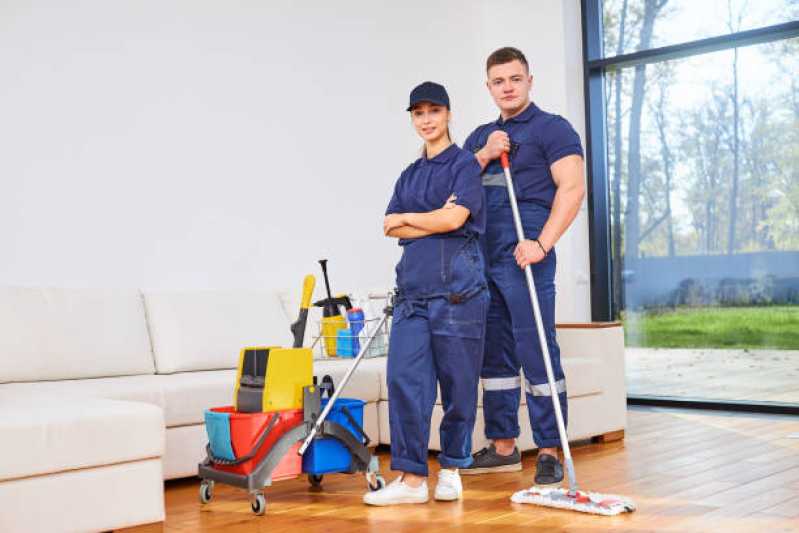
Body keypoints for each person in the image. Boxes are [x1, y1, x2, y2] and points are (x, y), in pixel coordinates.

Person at [459, 47, 586, 485]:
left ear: (530, 80)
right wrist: (484, 154)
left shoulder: (553, 129)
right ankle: (503, 447)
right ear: (488, 87)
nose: (508, 87)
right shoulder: (480, 135)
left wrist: (542, 244)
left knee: (535, 345)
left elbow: (572, 189)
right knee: (493, 350)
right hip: (481, 252)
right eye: (499, 81)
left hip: (524, 248)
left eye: (515, 78)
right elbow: (450, 188)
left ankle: (549, 448)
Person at [364, 81, 489, 506]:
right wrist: (432, 217)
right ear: (412, 119)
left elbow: (455, 220)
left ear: (449, 114)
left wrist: (411, 219)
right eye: (418, 113)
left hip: (459, 295)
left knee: (457, 387)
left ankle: (451, 467)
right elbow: (387, 225)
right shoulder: (409, 174)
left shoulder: (465, 166)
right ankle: (412, 479)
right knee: (404, 382)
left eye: (434, 111)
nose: (427, 120)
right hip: (413, 297)